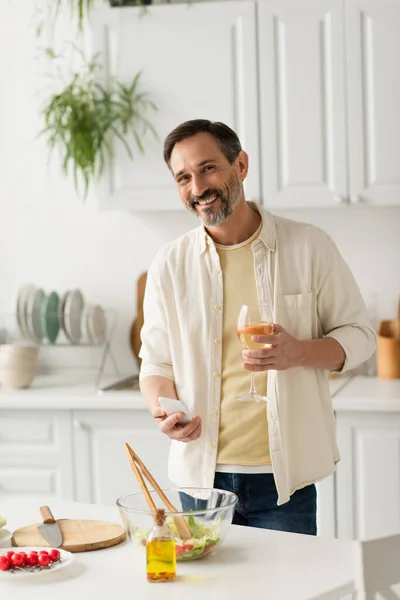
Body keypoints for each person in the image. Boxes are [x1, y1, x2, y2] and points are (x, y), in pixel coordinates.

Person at [139, 119, 376, 535]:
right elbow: (156, 363)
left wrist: (299, 352)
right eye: (183, 177)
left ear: (241, 165)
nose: (197, 187)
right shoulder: (170, 264)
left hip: (284, 482)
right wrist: (162, 409)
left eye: (208, 168)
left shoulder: (308, 246)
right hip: (201, 481)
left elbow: (360, 336)